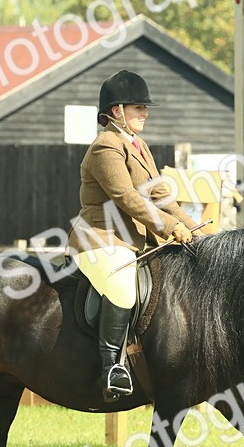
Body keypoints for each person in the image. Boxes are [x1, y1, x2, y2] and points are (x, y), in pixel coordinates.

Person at [67, 70, 197, 402]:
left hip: (134, 241)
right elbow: (127, 197)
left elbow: (159, 195)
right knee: (123, 285)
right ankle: (113, 367)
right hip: (101, 240)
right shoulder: (105, 146)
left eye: (144, 107)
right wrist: (169, 228)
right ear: (116, 111)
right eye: (138, 107)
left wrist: (195, 228)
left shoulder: (138, 146)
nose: (145, 113)